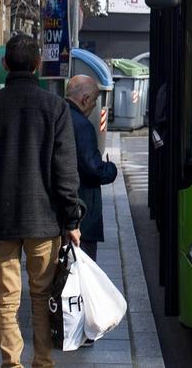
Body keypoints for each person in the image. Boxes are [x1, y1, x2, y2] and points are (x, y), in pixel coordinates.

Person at [0, 34, 84, 368]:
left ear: (5, 65)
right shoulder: (56, 108)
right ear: (37, 65)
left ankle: (11, 362)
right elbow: (65, 172)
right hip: (44, 219)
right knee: (42, 296)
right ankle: (43, 360)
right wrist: (72, 221)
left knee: (6, 299)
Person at [65, 75, 117, 262]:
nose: (95, 105)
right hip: (82, 211)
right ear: (85, 99)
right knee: (83, 268)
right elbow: (92, 168)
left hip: (60, 212)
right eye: (94, 100)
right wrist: (111, 169)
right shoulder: (83, 125)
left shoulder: (58, 115)